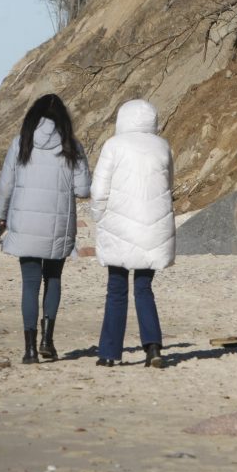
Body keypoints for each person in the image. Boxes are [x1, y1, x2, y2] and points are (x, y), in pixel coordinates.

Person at [0, 94, 91, 364]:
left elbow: (5, 186)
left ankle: (29, 350)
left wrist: (1, 218)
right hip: (58, 224)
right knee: (54, 279)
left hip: (25, 225)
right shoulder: (72, 146)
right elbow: (83, 189)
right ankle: (47, 340)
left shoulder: (21, 143)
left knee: (29, 284)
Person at [91, 100, 175, 369]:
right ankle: (153, 348)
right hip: (153, 227)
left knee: (116, 290)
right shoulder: (162, 146)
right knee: (144, 288)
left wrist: (99, 216)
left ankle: (109, 353)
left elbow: (99, 190)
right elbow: (168, 184)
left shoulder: (113, 145)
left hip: (119, 226)